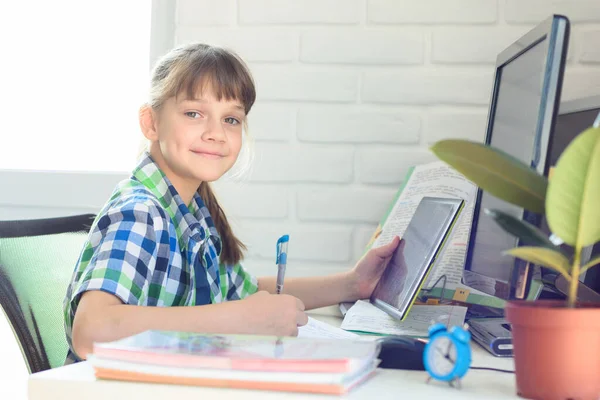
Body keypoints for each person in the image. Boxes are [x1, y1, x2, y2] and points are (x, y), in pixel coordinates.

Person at [63, 42, 400, 364]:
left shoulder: (192, 214)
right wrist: (235, 319)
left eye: (231, 119)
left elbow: (245, 293)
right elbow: (91, 331)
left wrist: (353, 284)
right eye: (194, 113)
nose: (216, 133)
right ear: (151, 122)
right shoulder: (140, 213)